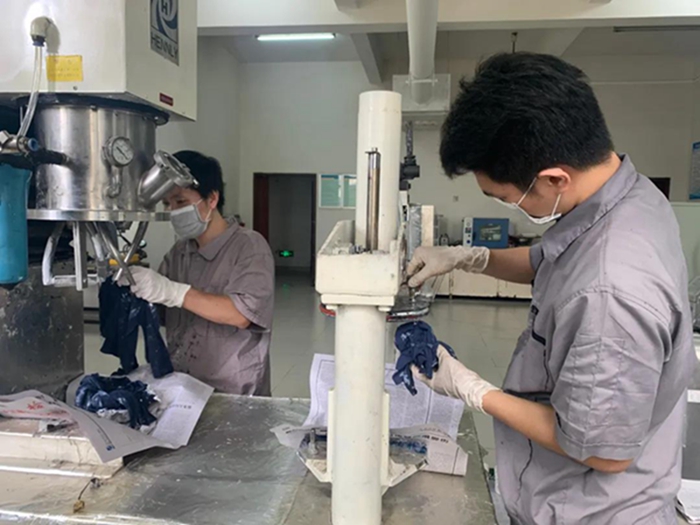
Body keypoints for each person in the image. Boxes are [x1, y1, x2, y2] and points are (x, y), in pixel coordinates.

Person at [407, 53, 697, 525]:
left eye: (505, 198)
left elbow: (602, 451)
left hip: (594, 511)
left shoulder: (610, 293)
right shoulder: (629, 197)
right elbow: (548, 261)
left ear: (555, 178)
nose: (507, 205)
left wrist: (470, 388)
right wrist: (466, 256)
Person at [122, 150, 275, 395]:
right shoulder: (180, 252)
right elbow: (161, 312)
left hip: (233, 391)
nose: (173, 211)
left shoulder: (249, 247)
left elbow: (241, 314)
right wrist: (134, 292)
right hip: (183, 386)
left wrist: (173, 292)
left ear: (212, 199)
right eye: (167, 204)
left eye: (180, 202)